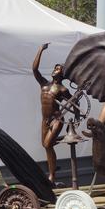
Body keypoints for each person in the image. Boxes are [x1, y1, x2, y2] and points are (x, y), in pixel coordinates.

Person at [32, 43, 76, 185]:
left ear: (62, 74)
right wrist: (40, 50)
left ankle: (52, 176)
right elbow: (34, 69)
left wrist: (76, 117)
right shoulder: (44, 84)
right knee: (46, 145)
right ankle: (61, 140)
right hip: (45, 120)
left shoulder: (63, 89)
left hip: (57, 119)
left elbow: (75, 104)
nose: (55, 70)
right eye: (55, 68)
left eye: (58, 69)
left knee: (47, 144)